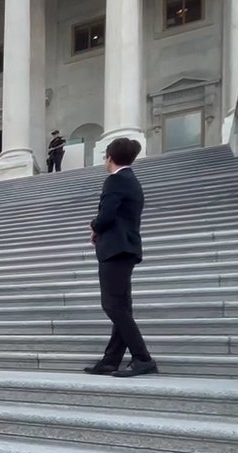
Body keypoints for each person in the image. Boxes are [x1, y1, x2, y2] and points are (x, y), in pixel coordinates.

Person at [84, 137, 157, 378]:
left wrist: (94, 226)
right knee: (121, 306)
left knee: (113, 305)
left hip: (115, 249)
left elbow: (106, 216)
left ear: (110, 158)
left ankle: (142, 358)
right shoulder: (131, 181)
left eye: (105, 156)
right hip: (126, 248)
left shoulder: (115, 181)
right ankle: (111, 360)